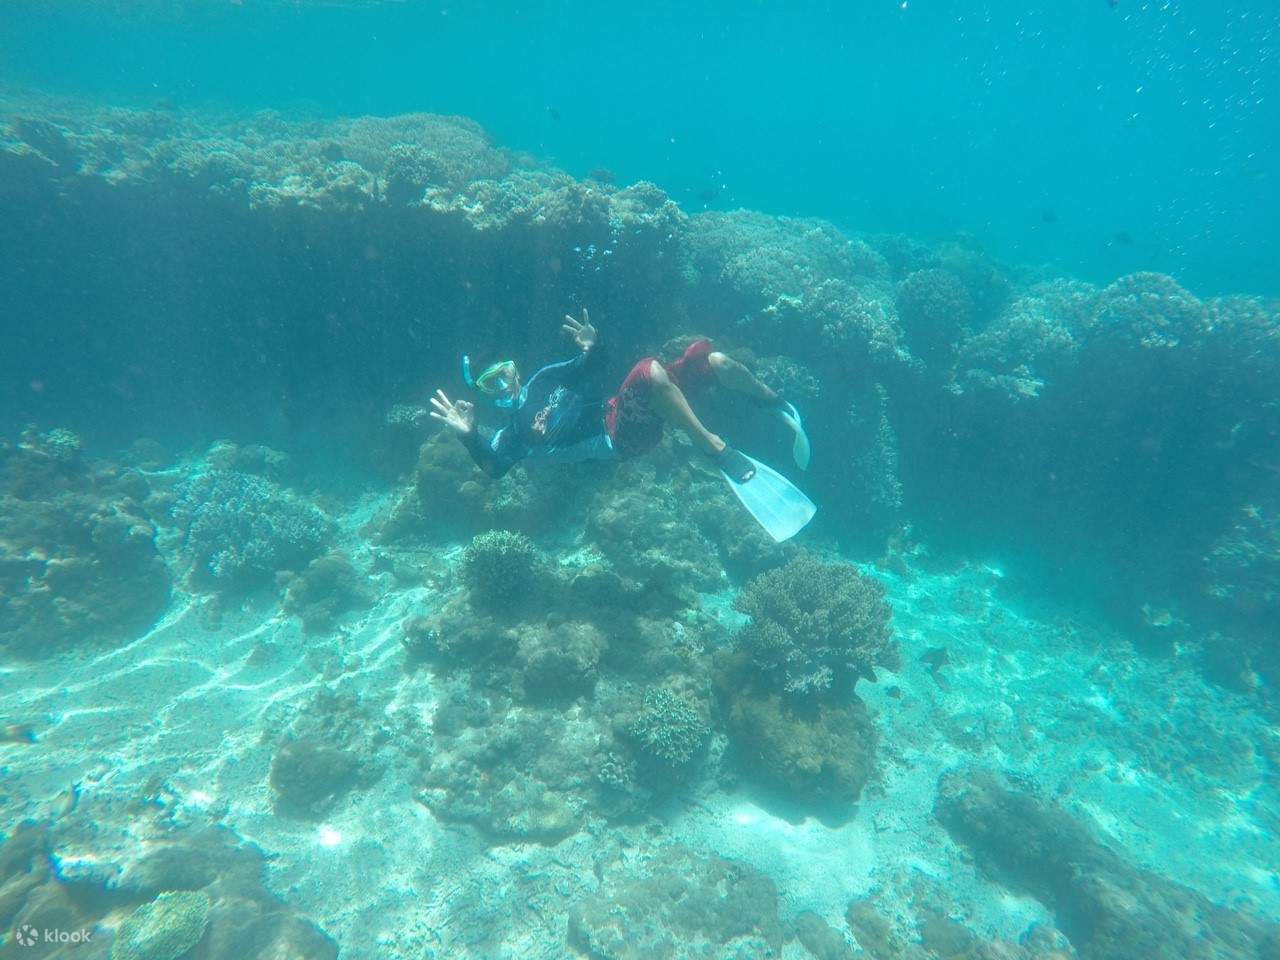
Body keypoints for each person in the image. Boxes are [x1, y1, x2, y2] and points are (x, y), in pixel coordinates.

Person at [429, 309, 794, 484]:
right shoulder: (510, 434)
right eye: (491, 383)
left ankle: (773, 401)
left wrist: (592, 343)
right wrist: (468, 436)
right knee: (646, 370)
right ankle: (717, 450)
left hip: (625, 410)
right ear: (483, 393)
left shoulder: (542, 379)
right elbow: (494, 467)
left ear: (516, 370)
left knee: (709, 358)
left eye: (505, 374)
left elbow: (593, 363)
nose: (504, 386)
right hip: (618, 438)